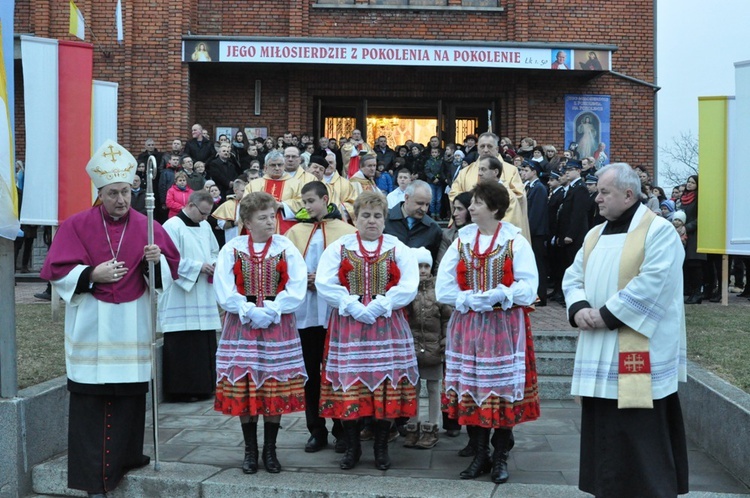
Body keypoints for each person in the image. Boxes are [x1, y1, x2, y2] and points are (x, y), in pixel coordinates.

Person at [39, 140, 180, 497]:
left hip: (133, 323)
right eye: (113, 193)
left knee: (131, 393)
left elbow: (170, 273)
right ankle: (93, 477)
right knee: (92, 399)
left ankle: (128, 455)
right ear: (99, 193)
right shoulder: (77, 225)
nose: (121, 199)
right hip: (92, 323)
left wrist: (155, 261)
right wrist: (90, 275)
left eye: (126, 191)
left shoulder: (148, 224)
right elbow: (56, 271)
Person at [562, 163, 688, 497]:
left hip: (637, 350)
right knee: (604, 431)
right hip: (598, 346)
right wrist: (579, 309)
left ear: (628, 194)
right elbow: (572, 277)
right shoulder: (594, 234)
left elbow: (654, 283)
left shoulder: (658, 231)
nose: (597, 198)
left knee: (640, 435)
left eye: (604, 192)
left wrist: (606, 315)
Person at [436, 181, 540, 484]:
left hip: (503, 326)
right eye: (472, 203)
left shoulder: (514, 241)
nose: (471, 207)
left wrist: (498, 294)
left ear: (494, 208)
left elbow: (528, 286)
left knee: (502, 391)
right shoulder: (462, 240)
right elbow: (444, 286)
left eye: (478, 203)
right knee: (473, 390)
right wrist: (467, 298)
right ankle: (479, 453)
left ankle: (500, 456)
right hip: (468, 326)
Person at [315, 191, 420, 471]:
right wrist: (349, 303)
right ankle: (352, 447)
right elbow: (324, 282)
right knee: (351, 384)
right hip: (349, 327)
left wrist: (382, 304)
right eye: (365, 215)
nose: (371, 221)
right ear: (355, 218)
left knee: (384, 385)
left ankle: (381, 447)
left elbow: (409, 285)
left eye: (377, 216)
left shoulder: (398, 248)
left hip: (387, 326)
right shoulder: (340, 246)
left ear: (384, 219)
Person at [213, 191, 308, 475]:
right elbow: (224, 286)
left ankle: (270, 449)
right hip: (242, 326)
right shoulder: (232, 249)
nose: (270, 223)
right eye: (263, 218)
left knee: (273, 385)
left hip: (277, 325)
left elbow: (297, 285)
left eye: (272, 216)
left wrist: (274, 309)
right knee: (245, 385)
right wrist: (245, 308)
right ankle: (250, 450)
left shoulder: (285, 247)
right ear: (247, 222)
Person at [284, 181, 357, 454]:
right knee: (310, 372)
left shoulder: (346, 231)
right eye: (303, 202)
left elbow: (352, 268)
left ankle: (341, 429)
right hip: (305, 312)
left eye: (311, 201)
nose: (307, 206)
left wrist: (325, 281)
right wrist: (304, 279)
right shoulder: (294, 232)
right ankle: (316, 429)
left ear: (325, 199)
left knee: (335, 371)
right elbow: (286, 266)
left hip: (332, 311)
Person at [158, 191, 221, 401]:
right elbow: (168, 259)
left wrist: (213, 263)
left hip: (202, 290)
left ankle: (205, 386)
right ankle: (182, 391)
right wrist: (197, 267)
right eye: (202, 213)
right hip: (180, 293)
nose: (205, 217)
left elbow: (214, 250)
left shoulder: (204, 226)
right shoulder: (172, 226)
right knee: (184, 341)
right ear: (191, 205)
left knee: (203, 341)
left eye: (208, 214)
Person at [402, 247, 451, 450]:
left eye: (426, 266)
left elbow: (447, 317)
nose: (422, 270)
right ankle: (413, 425)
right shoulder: (407, 290)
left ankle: (432, 426)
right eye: (418, 266)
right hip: (412, 348)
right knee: (413, 388)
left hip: (433, 349)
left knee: (433, 388)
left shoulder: (438, 291)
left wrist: (445, 339)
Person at [449, 132, 530, 242]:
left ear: (497, 149)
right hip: (469, 224)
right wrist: (472, 211)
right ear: (477, 149)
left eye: (490, 146)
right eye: (482, 146)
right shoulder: (465, 172)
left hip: (500, 229)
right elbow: (454, 195)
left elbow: (519, 196)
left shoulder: (511, 170)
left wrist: (500, 188)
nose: (486, 150)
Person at [384, 180, 443, 266]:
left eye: (427, 205)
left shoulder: (433, 229)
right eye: (420, 203)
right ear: (406, 198)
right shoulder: (384, 221)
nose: (424, 209)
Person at [681, 175, 705, 304]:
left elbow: (701, 218)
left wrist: (687, 227)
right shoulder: (684, 199)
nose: (689, 184)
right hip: (683, 235)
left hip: (695, 235)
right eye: (688, 182)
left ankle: (697, 293)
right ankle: (690, 292)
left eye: (692, 182)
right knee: (688, 265)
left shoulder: (699, 198)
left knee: (695, 263)